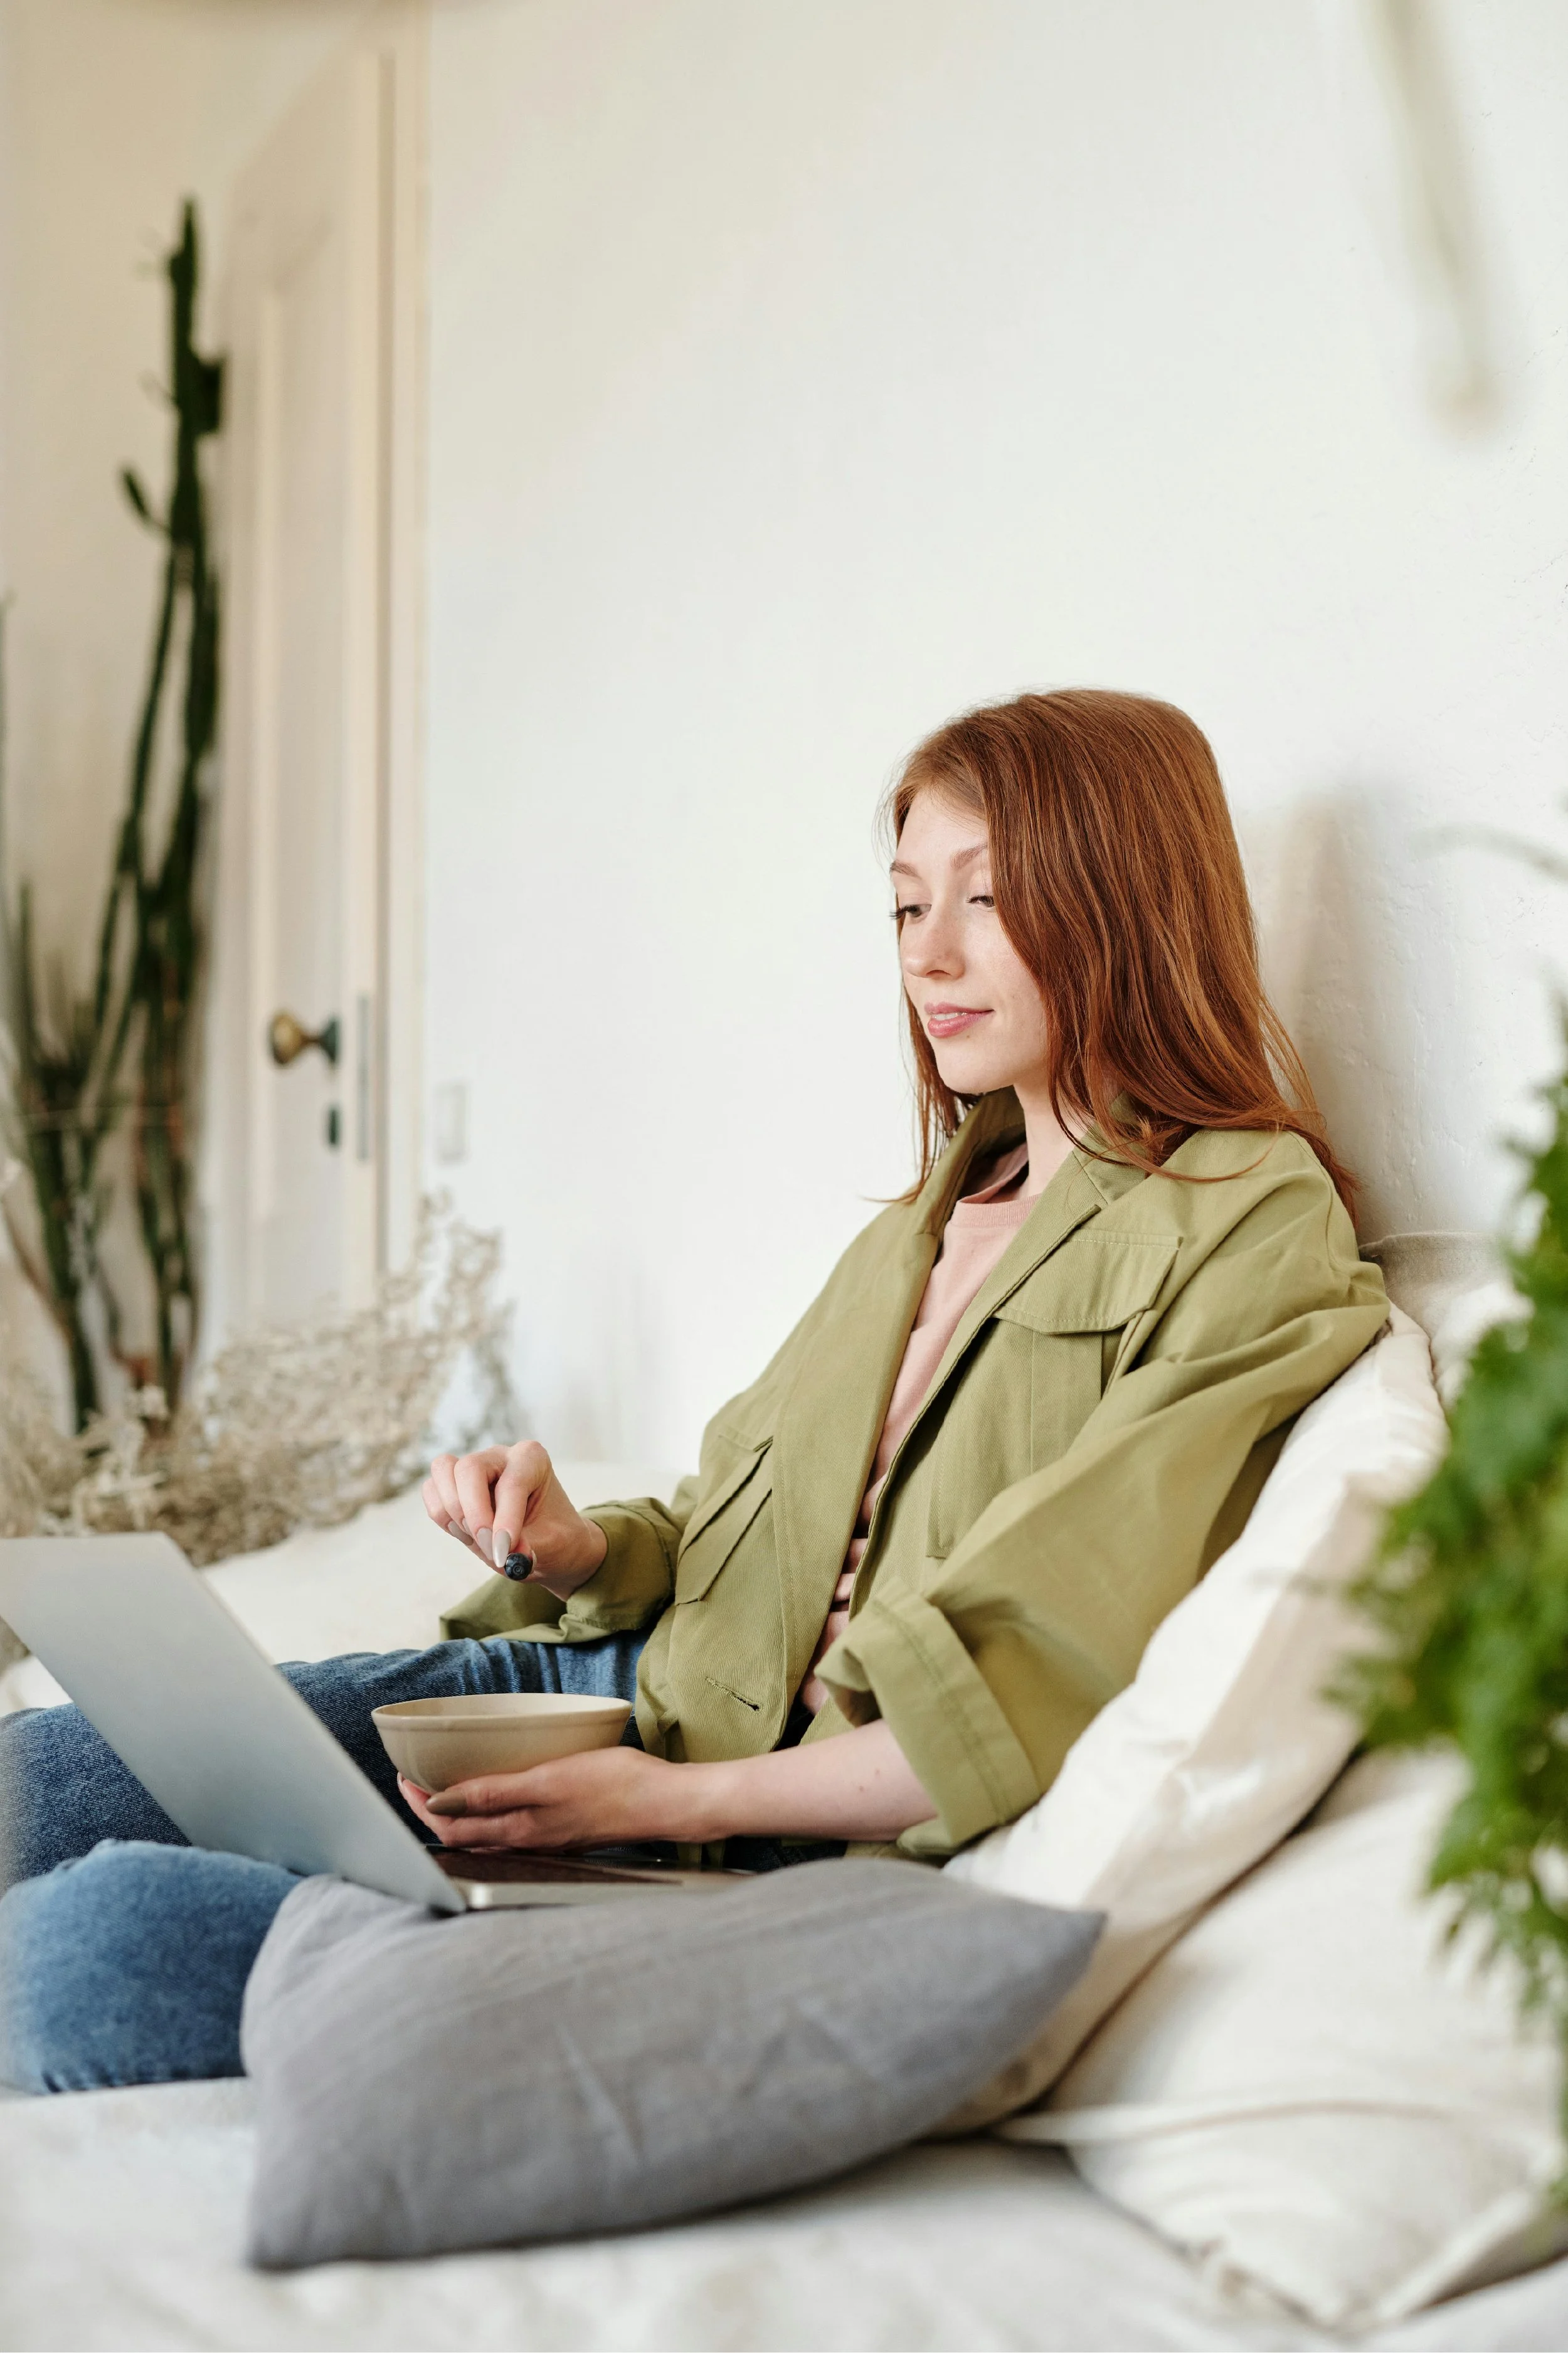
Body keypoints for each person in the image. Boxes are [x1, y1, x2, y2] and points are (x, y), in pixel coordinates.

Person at [0, 689, 1388, 2091]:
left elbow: (1037, 1658)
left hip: (754, 1826)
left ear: (1124, 898)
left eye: (988, 897)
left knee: (80, 1960)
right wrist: (582, 1546)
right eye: (906, 907)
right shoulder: (926, 1215)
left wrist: (669, 1804)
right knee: (33, 1780)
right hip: (590, 1697)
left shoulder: (1243, 1218)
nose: (933, 955)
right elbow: (739, 1520)